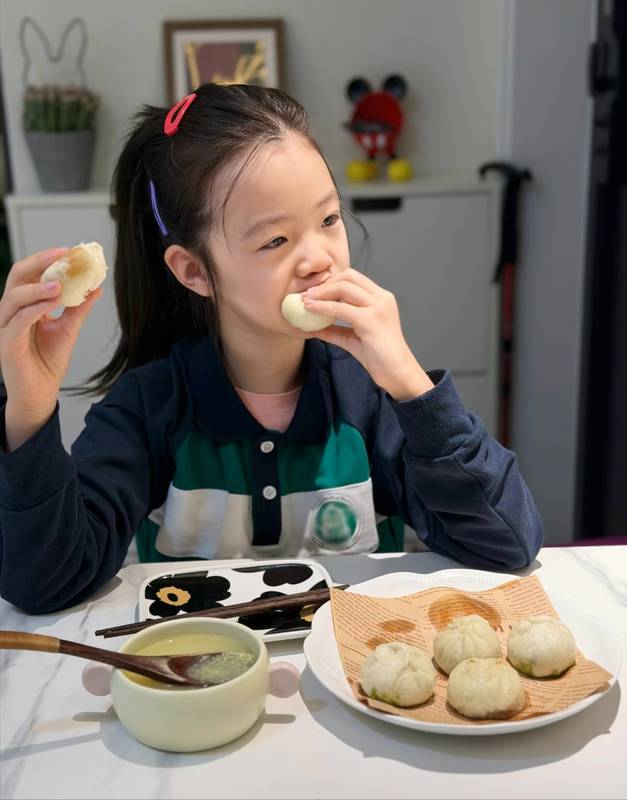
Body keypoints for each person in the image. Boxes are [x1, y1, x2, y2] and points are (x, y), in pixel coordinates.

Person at [0, 83, 543, 614]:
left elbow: (508, 546)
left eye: (329, 219)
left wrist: (410, 385)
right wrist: (27, 409)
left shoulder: (372, 396)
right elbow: (45, 585)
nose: (318, 259)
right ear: (194, 271)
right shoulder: (149, 407)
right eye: (275, 241)